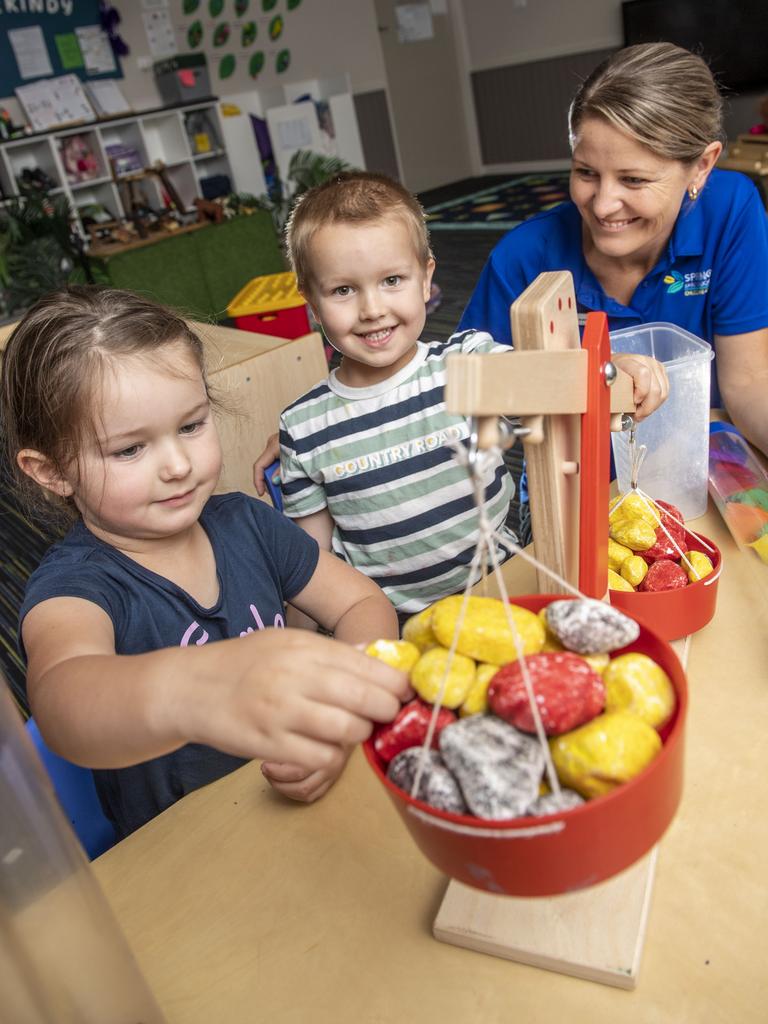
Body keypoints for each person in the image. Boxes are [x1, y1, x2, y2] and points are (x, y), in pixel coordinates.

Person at [0, 286, 409, 841]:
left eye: (190, 426)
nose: (176, 465)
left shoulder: (246, 522)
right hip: (188, 857)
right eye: (129, 450)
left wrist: (342, 716)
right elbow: (62, 702)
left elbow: (362, 601)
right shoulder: (73, 589)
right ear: (51, 472)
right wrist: (193, 689)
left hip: (302, 820)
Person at [254, 172, 666, 617]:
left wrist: (612, 369)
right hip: (394, 623)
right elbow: (313, 571)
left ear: (426, 276)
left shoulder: (466, 365)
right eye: (343, 290)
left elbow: (551, 380)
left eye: (392, 280)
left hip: (503, 590)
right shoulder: (303, 428)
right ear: (311, 303)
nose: (372, 310)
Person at [459, 42, 768, 455]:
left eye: (634, 180)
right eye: (586, 172)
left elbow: (748, 382)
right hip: (576, 483)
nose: (602, 205)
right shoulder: (523, 256)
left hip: (696, 467)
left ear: (702, 166)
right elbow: (465, 393)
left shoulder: (730, 209)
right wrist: (585, 377)